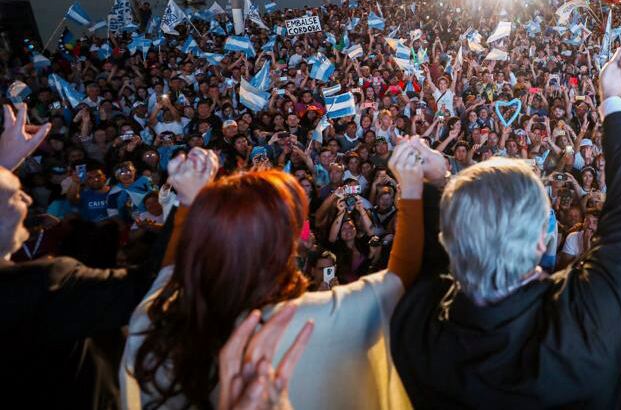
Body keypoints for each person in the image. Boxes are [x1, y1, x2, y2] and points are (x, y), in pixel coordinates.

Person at [390, 44, 621, 407]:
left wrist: (436, 182)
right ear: (539, 244)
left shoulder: (417, 331)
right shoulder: (584, 320)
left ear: (449, 239)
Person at [120, 140, 425, 410]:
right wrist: (412, 187)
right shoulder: (329, 316)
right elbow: (401, 274)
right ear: (283, 247)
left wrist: (189, 202)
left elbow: (172, 269)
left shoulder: (158, 319)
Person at [0, 103, 189, 407]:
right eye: (12, 194)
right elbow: (148, 283)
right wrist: (187, 201)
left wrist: (4, 164)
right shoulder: (45, 284)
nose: (25, 196)